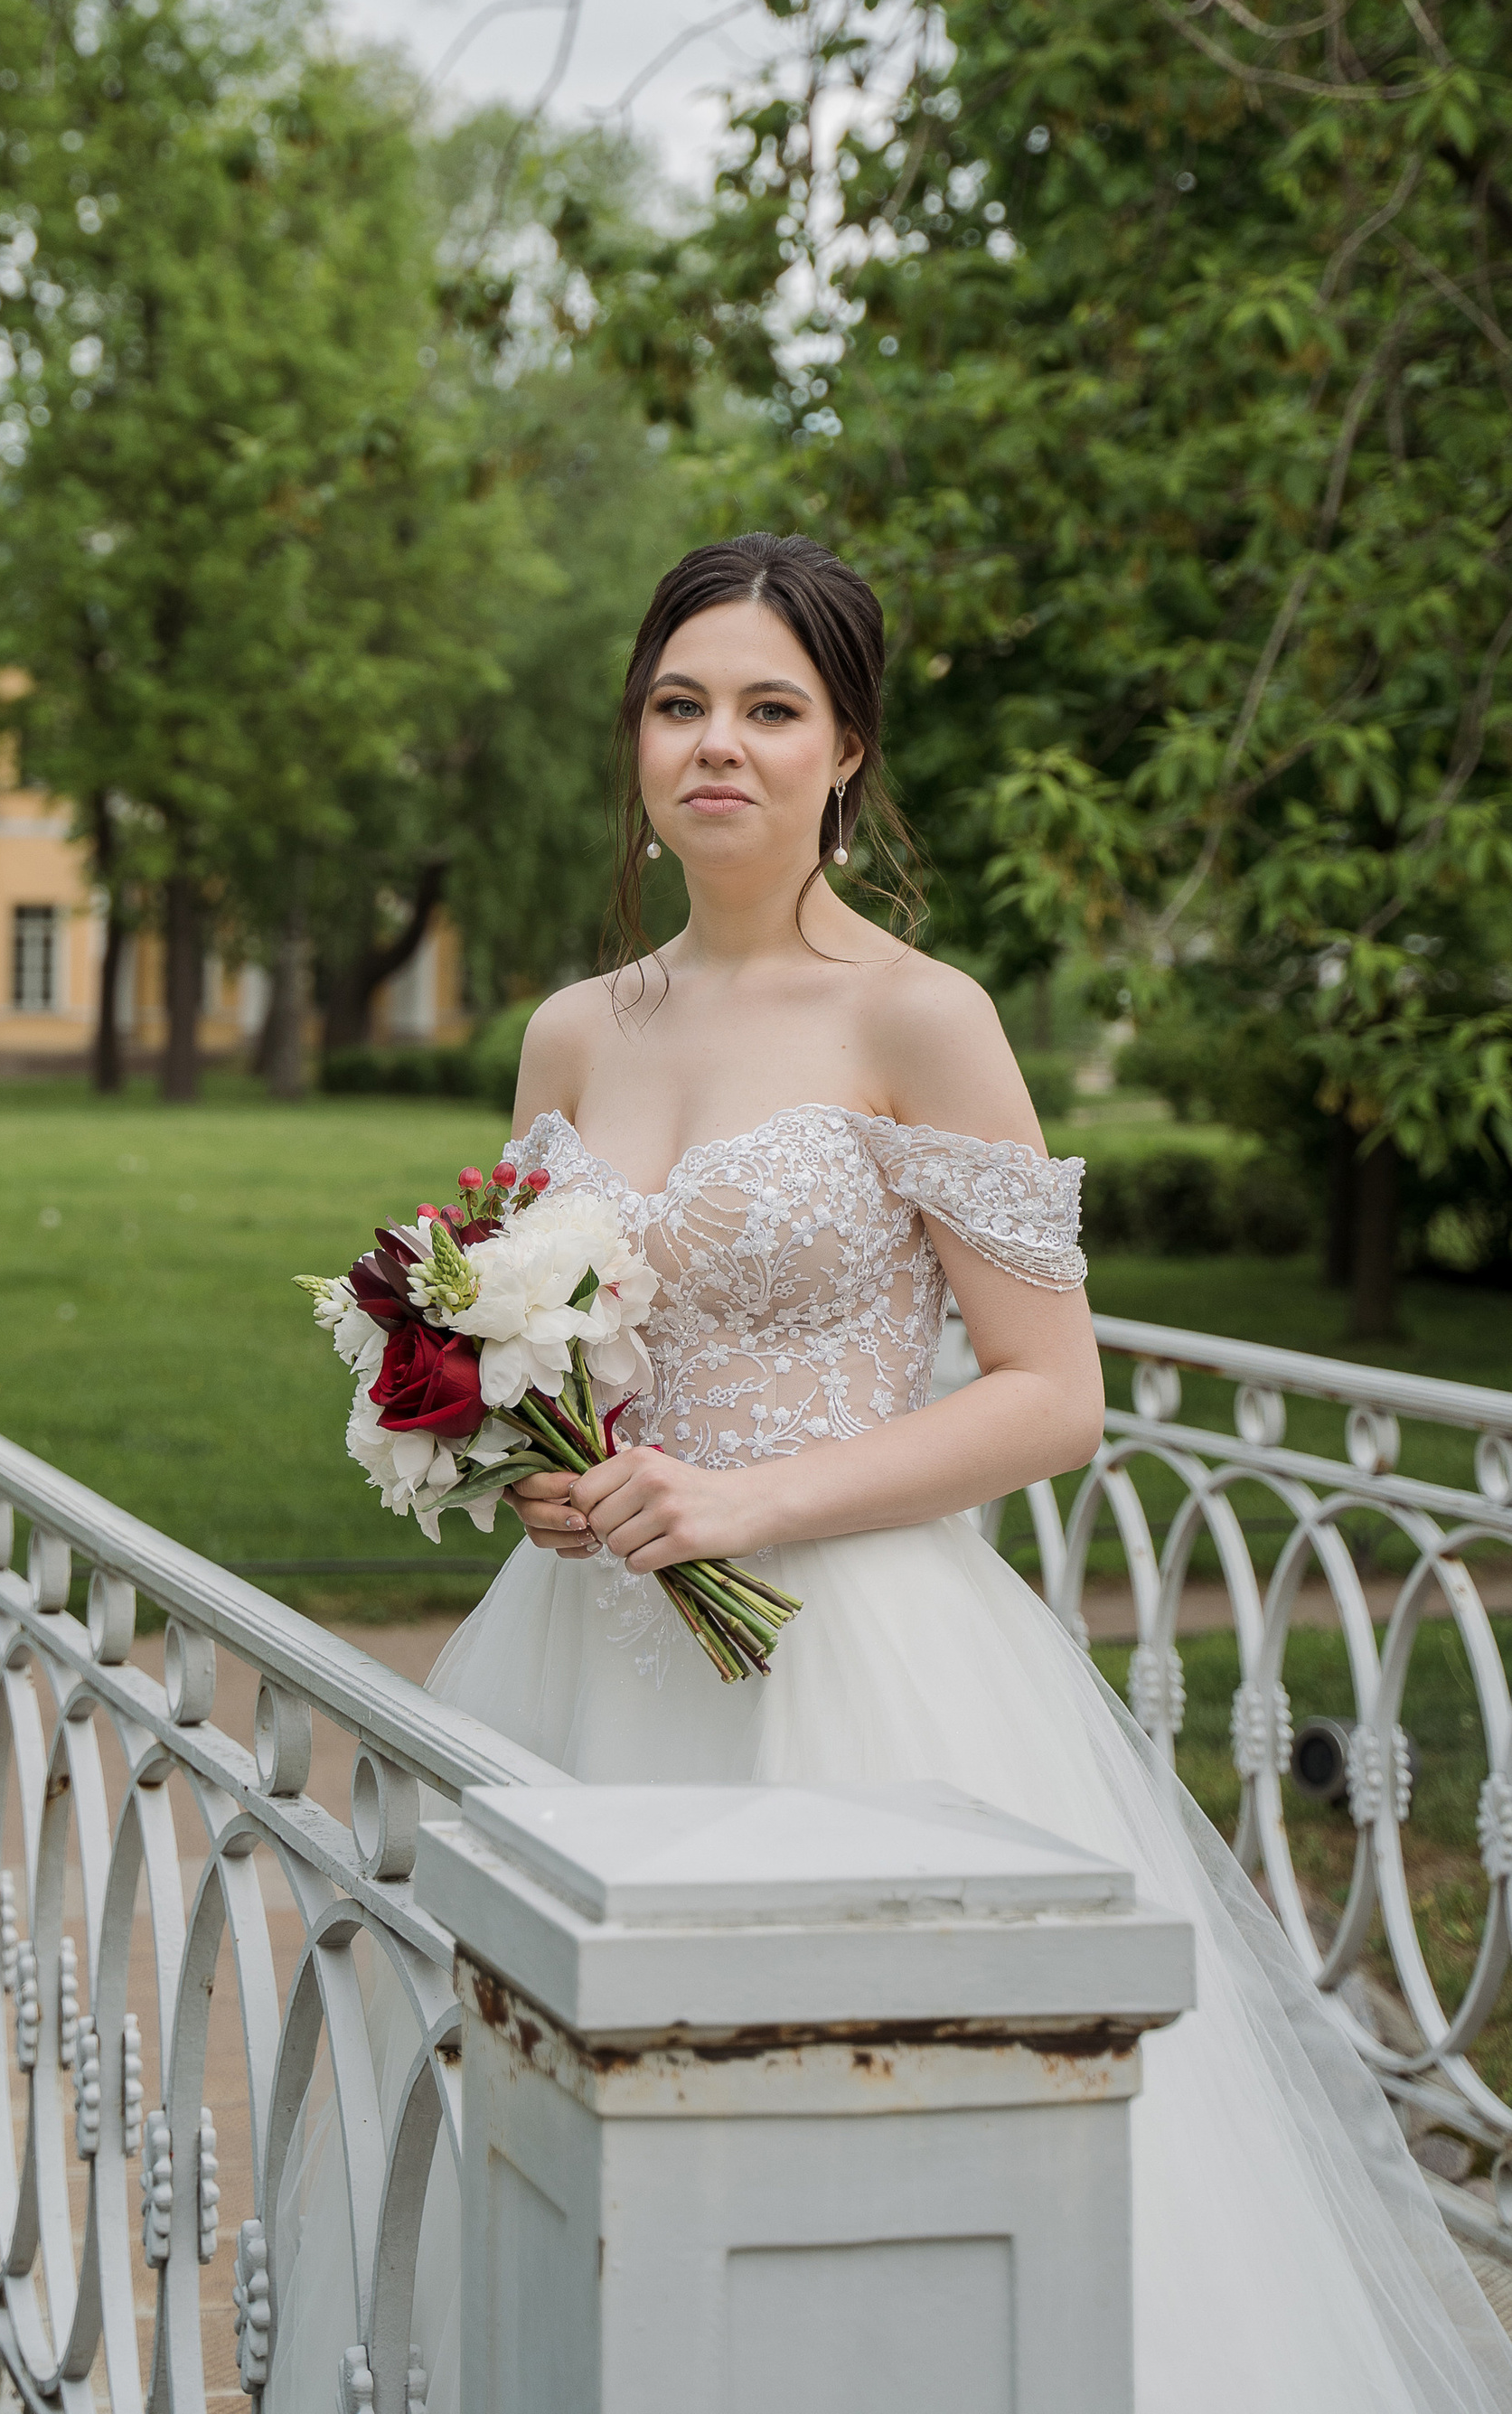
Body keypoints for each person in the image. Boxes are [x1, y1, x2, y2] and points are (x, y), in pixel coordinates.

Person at [409, 533, 1510, 2410]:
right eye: (678, 705)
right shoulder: (573, 1029)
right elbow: (546, 1338)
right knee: (566, 2142)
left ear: (844, 750)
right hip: (585, 1651)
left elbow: (1050, 1396)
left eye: (769, 709)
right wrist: (545, 1464)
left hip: (854, 1659)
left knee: (864, 2158)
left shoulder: (921, 1015)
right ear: (636, 740)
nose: (716, 745)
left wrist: (747, 1505)